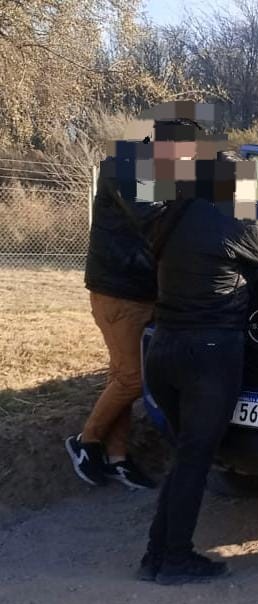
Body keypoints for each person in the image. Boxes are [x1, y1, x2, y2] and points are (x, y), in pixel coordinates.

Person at [130, 117, 258, 585]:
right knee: (195, 460)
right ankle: (176, 559)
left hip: (164, 348)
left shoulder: (171, 213)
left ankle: (155, 557)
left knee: (185, 456)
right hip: (208, 352)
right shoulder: (234, 217)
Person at [64, 141, 166, 490]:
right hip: (120, 291)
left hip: (140, 291)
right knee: (133, 379)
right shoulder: (125, 167)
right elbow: (152, 216)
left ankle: (118, 457)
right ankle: (86, 442)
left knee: (120, 377)